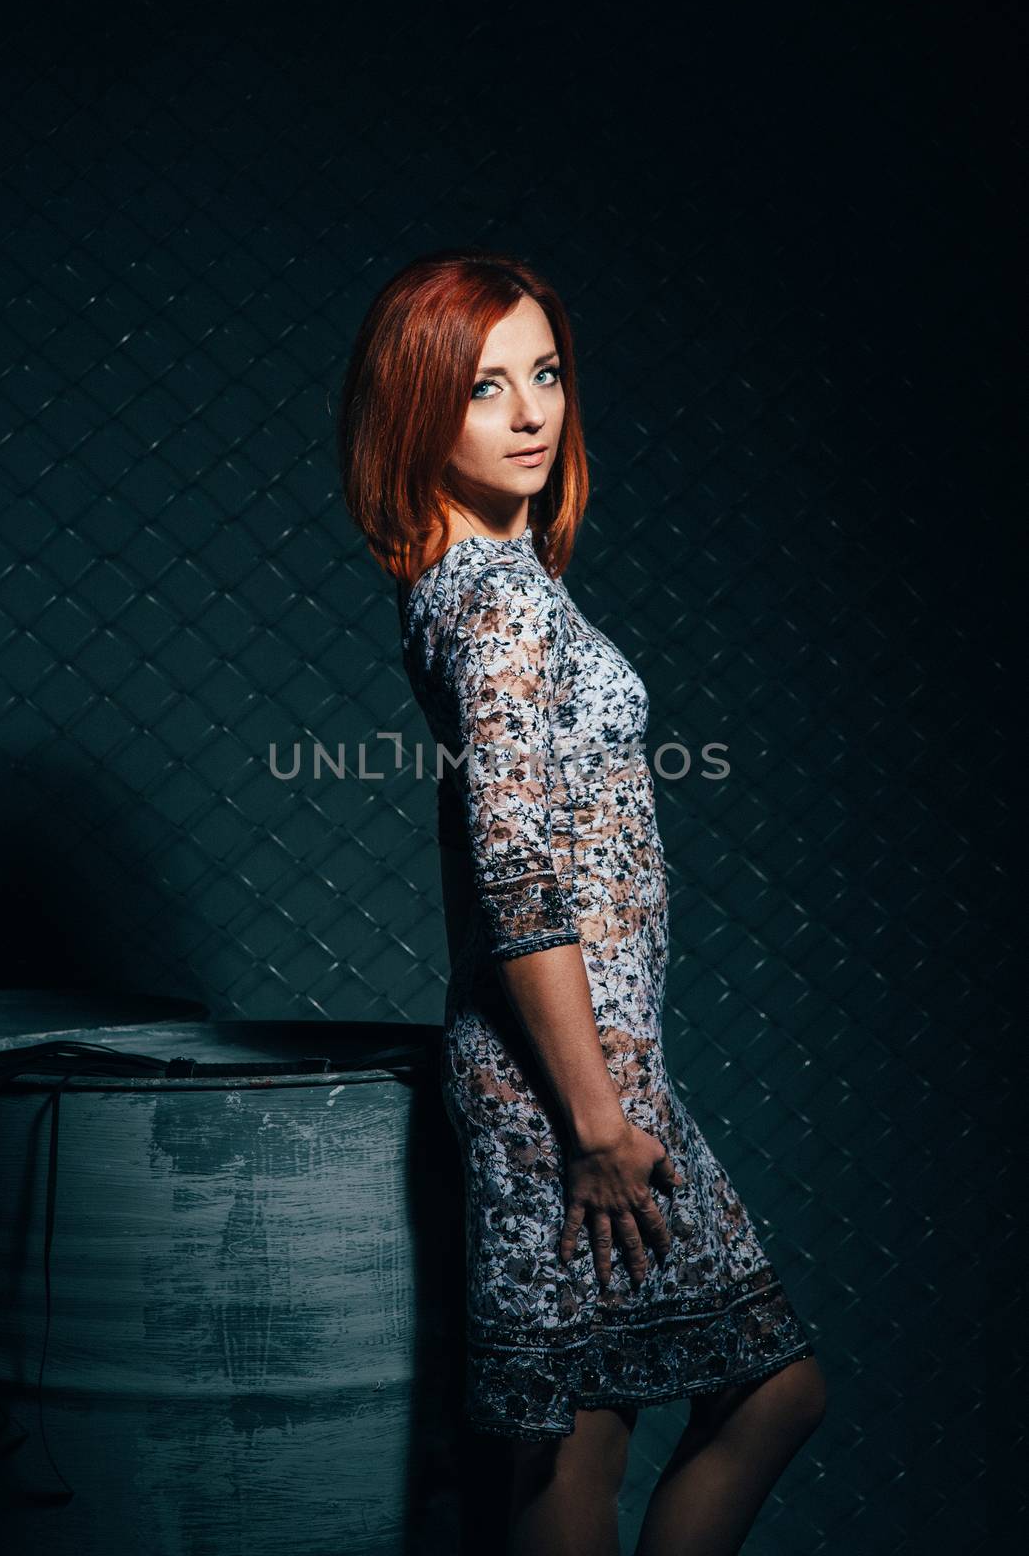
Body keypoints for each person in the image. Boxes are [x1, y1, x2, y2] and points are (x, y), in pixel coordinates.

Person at [338, 247, 827, 1556]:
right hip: (568, 1092)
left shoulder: (495, 586)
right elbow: (519, 875)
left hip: (590, 1074)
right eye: (486, 386)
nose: (532, 412)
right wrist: (601, 1123)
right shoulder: (494, 607)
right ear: (417, 411)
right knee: (742, 1401)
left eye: (544, 373)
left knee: (588, 1434)